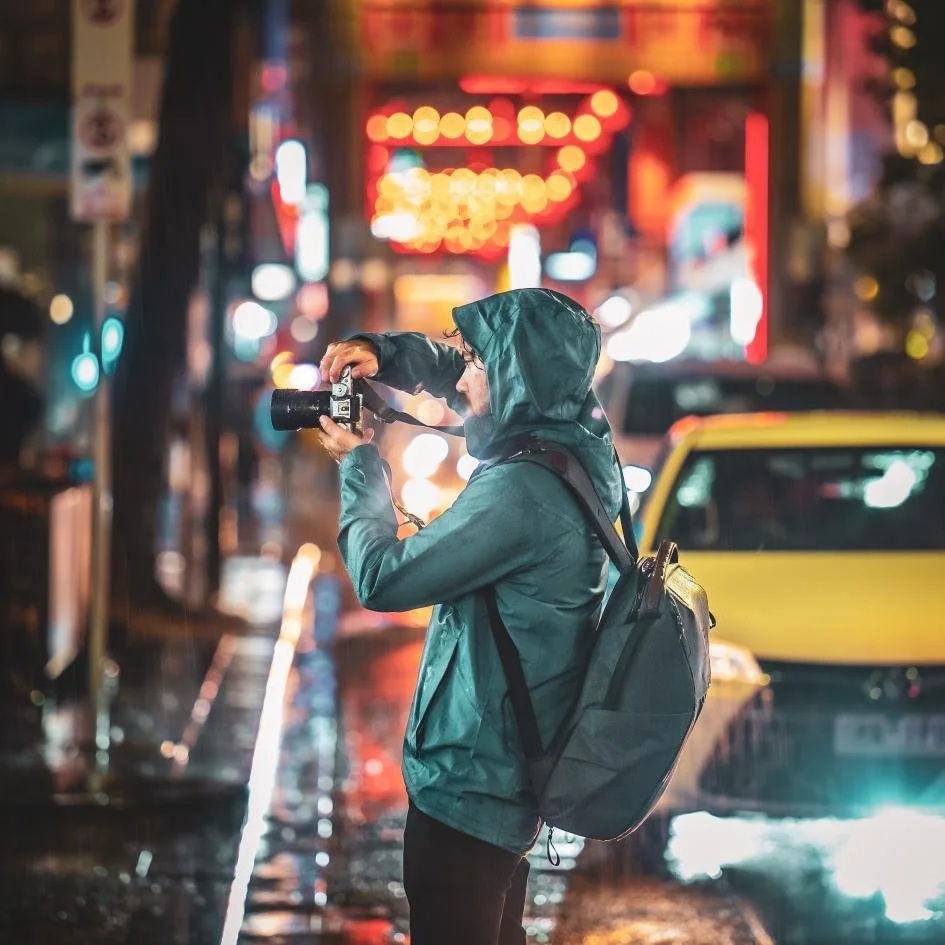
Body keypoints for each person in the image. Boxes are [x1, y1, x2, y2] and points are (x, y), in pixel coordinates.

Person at [317, 288, 622, 945]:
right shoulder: (574, 443)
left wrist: (359, 464)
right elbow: (468, 376)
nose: (462, 377)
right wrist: (386, 356)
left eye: (478, 362)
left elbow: (381, 578)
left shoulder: (522, 491)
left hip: (471, 786)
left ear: (515, 376)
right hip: (503, 778)